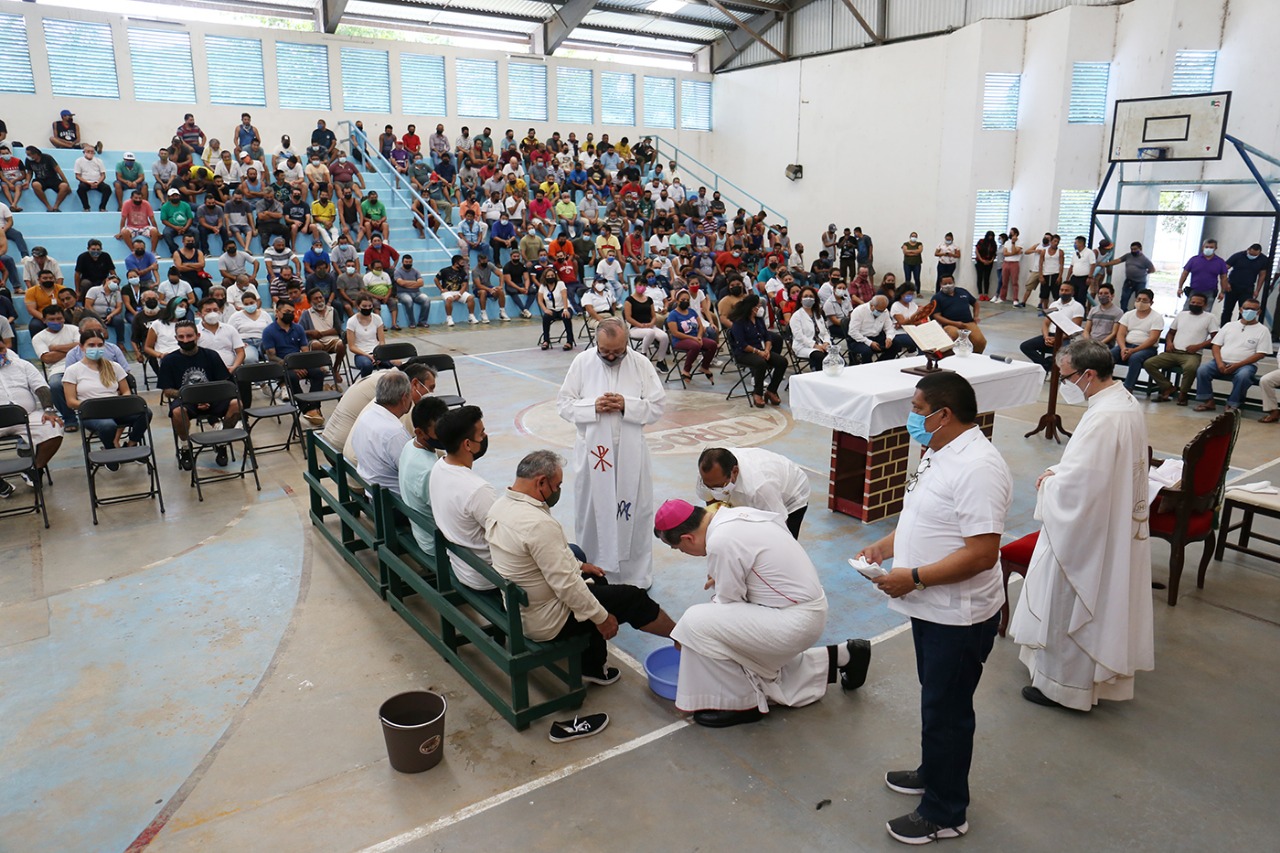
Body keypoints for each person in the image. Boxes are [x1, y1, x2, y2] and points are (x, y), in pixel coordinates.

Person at [858, 372, 1012, 844]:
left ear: (943, 414)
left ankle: (946, 812)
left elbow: (982, 553)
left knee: (947, 710)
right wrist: (888, 545)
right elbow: (924, 513)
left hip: (957, 614)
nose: (913, 417)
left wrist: (916, 577)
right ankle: (933, 772)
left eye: (918, 408)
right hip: (931, 607)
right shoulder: (940, 451)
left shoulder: (979, 468)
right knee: (936, 700)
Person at [1011, 338, 1153, 713]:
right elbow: (1101, 469)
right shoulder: (1122, 402)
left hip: (1089, 530)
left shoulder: (1106, 417)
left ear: (1089, 374)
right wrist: (1061, 471)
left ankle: (1063, 686)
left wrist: (1050, 482)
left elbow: (1084, 486)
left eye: (1068, 376)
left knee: (1069, 598)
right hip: (1110, 519)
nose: (1065, 384)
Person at [653, 499, 870, 729]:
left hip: (796, 620)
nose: (684, 553)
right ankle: (845, 655)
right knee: (736, 643)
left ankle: (743, 704)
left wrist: (683, 635)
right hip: (804, 610)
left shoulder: (720, 540)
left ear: (688, 538)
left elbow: (728, 603)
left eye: (678, 548)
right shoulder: (735, 515)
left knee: (694, 624)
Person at [487, 450, 678, 687]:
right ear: (541, 482)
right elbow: (566, 586)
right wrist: (602, 617)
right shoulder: (538, 524)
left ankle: (592, 664)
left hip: (520, 607)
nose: (558, 491)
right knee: (633, 598)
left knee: (592, 574)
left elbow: (543, 557)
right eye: (557, 485)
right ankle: (683, 639)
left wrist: (579, 565)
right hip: (545, 620)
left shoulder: (500, 505)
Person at [556, 319, 665, 587]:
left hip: (631, 453)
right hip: (594, 453)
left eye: (618, 351)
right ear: (596, 343)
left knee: (634, 512)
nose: (612, 356)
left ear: (627, 342)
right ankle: (595, 570)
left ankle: (634, 575)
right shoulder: (582, 362)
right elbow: (564, 405)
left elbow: (657, 406)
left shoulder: (640, 363)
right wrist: (593, 405)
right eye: (605, 351)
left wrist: (627, 405)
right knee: (592, 510)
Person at [428, 405, 498, 591]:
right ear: (467, 444)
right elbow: (507, 537)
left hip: (462, 566)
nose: (484, 438)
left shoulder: (438, 467)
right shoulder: (478, 490)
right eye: (481, 434)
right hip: (488, 577)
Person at [158, 320, 240, 470]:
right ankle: (185, 447)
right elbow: (167, 390)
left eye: (189, 336)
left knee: (236, 404)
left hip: (213, 398)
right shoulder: (169, 360)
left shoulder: (211, 355)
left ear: (197, 335)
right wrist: (192, 398)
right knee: (177, 412)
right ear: (176, 338)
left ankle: (222, 442)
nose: (185, 340)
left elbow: (223, 383)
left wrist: (208, 398)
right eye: (181, 337)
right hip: (186, 400)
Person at [61, 328, 151, 459]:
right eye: (91, 345)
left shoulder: (114, 366)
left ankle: (131, 445)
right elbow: (70, 401)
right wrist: (91, 407)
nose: (96, 348)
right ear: (81, 347)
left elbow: (126, 390)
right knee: (108, 425)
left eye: (99, 345)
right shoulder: (73, 371)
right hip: (92, 414)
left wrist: (124, 401)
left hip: (116, 410)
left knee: (145, 413)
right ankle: (111, 450)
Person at [695, 447, 811, 538]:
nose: (713, 490)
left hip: (792, 492)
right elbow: (711, 502)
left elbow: (779, 527)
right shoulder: (707, 475)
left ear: (734, 472)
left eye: (718, 486)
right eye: (708, 486)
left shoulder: (760, 487)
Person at [0, 335, 64, 497]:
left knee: (54, 426)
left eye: (1, 349)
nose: (1, 354)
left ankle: (35, 468)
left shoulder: (22, 365)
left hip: (26, 417)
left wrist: (49, 409)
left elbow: (41, 387)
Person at [1192, 298, 1273, 413]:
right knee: (1202, 370)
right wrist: (1219, 362)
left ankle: (1233, 404)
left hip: (1246, 365)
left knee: (1243, 377)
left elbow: (1261, 354)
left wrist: (1237, 365)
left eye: (1253, 309)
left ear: (1258, 312)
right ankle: (1208, 401)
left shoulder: (1263, 330)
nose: (1249, 311)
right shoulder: (1229, 326)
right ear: (1240, 310)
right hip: (1221, 361)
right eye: (1246, 308)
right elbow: (1216, 345)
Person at [1144, 291, 1219, 406]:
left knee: (1191, 368)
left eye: (1198, 303)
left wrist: (1198, 346)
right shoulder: (1182, 315)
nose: (1195, 304)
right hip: (1173, 351)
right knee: (1149, 363)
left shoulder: (1210, 318)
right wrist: (1169, 343)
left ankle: (1183, 393)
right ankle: (1167, 387)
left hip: (1192, 354)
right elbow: (1171, 333)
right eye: (1192, 302)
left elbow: (1215, 338)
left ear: (1205, 305)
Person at [261, 301, 326, 426]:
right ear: (277, 313)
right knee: (292, 377)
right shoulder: (269, 331)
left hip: (298, 362)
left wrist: (301, 364)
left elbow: (305, 350)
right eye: (286, 312)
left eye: (292, 312)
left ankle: (314, 408)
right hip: (280, 365)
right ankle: (306, 409)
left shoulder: (298, 328)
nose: (290, 315)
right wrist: (291, 366)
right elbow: (272, 356)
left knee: (318, 373)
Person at [350, 371, 414, 494]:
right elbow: (411, 475)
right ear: (404, 398)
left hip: (372, 490)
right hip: (393, 502)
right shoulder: (395, 433)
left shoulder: (367, 415)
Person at [728, 294, 786, 408]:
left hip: (761, 350)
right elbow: (742, 344)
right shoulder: (739, 322)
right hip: (744, 353)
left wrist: (767, 350)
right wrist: (758, 352)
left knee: (782, 362)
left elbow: (767, 337)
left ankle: (771, 390)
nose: (760, 308)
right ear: (751, 307)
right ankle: (757, 393)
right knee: (760, 363)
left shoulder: (759, 320)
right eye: (758, 306)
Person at [1019, 281, 1084, 370]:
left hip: (1066, 337)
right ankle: (1047, 365)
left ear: (1072, 293)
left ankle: (1050, 367)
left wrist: (1058, 338)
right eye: (1062, 290)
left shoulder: (1077, 306)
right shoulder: (1054, 304)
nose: (1063, 292)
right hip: (1051, 335)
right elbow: (1046, 323)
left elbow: (1075, 330)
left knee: (1065, 353)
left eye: (1067, 290)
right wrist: (1046, 337)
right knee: (1025, 346)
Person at [1111, 289, 1164, 392]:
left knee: (1135, 358)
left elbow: (1153, 339)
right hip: (1126, 345)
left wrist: (1134, 351)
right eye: (1138, 299)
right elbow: (1120, 334)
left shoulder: (1157, 317)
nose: (1140, 302)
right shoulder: (1128, 314)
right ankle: (1106, 383)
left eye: (1144, 300)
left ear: (1151, 302)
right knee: (1110, 355)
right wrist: (1123, 348)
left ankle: (1128, 387)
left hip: (1147, 349)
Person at [666, 288, 717, 382]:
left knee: (712, 344)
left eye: (687, 300)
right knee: (695, 346)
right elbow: (675, 333)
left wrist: (699, 336)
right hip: (680, 340)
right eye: (682, 300)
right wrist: (693, 338)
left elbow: (700, 326)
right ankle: (686, 370)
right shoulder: (673, 315)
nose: (685, 302)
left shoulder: (692, 312)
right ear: (677, 301)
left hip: (695, 338)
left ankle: (704, 367)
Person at [929, 277, 986, 354]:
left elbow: (975, 303)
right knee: (954, 335)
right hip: (949, 325)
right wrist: (955, 323)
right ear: (940, 285)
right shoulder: (937, 297)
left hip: (968, 323)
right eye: (945, 284)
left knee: (980, 341)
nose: (948, 285)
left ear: (954, 282)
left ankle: (974, 356)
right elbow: (937, 316)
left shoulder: (962, 291)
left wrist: (976, 316)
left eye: (950, 283)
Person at [1098, 240, 1155, 311]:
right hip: (1129, 281)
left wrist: (1143, 273)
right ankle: (1124, 314)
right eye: (1132, 249)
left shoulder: (1145, 260)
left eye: (1135, 249)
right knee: (1124, 299)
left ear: (1140, 249)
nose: (1133, 251)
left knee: (1140, 300)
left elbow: (1152, 269)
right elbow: (1118, 261)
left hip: (1140, 282)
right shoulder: (1128, 256)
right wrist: (1105, 264)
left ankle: (1136, 313)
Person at [788, 284, 833, 371]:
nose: (808, 298)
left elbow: (825, 332)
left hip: (821, 344)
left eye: (811, 296)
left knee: (834, 354)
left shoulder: (818, 314)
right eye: (805, 296)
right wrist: (815, 345)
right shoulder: (796, 316)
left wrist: (826, 343)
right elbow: (799, 336)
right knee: (820, 356)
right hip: (803, 346)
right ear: (800, 300)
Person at [1222, 243, 1270, 324]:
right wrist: (1226, 283)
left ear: (1259, 253)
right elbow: (1224, 268)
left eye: (1255, 255)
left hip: (1247, 288)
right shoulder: (1238, 256)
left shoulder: (1263, 260)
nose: (1252, 256)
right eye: (1251, 254)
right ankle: (1224, 327)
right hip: (1232, 286)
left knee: (1245, 310)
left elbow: (1262, 275)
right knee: (1227, 310)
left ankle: (1241, 327)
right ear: (1248, 250)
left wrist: (1257, 290)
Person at [1177, 238, 1228, 310]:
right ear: (1203, 247)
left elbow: (1224, 277)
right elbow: (1184, 274)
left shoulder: (1220, 262)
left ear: (1215, 248)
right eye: (1206, 247)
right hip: (1194, 290)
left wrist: (1222, 292)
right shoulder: (1194, 260)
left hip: (1210, 291)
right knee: (1187, 311)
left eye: (1211, 247)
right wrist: (1180, 287)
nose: (1208, 249)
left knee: (1205, 314)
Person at [345, 292, 386, 377]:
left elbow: (382, 341)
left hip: (377, 351)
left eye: (370, 306)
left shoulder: (377, 318)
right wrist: (367, 355)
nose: (367, 308)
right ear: (358, 306)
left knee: (397, 363)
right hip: (361, 354)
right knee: (367, 365)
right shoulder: (352, 321)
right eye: (364, 306)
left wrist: (378, 354)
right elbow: (352, 347)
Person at [537, 269, 574, 351]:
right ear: (545, 277)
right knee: (546, 317)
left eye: (552, 276)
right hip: (552, 310)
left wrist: (565, 309)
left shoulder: (560, 284)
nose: (550, 277)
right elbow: (539, 300)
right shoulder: (543, 286)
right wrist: (545, 309)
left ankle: (569, 341)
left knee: (566, 317)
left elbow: (564, 296)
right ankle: (546, 340)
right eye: (548, 276)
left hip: (563, 308)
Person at [394, 254, 432, 329]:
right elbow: (401, 283)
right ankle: (412, 322)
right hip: (402, 293)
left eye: (409, 262)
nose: (408, 263)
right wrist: (415, 283)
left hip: (417, 293)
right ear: (402, 262)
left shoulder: (416, 271)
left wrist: (406, 284)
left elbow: (421, 283)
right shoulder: (397, 272)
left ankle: (422, 322)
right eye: (406, 262)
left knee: (426, 300)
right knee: (408, 301)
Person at [73, 145, 110, 212]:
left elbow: (103, 175)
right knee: (81, 189)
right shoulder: (78, 161)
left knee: (107, 189)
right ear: (84, 152)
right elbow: (77, 176)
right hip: (85, 182)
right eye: (88, 151)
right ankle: (86, 207)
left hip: (98, 182)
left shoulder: (99, 161)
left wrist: (97, 182)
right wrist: (88, 183)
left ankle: (102, 207)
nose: (90, 153)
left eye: (92, 151)